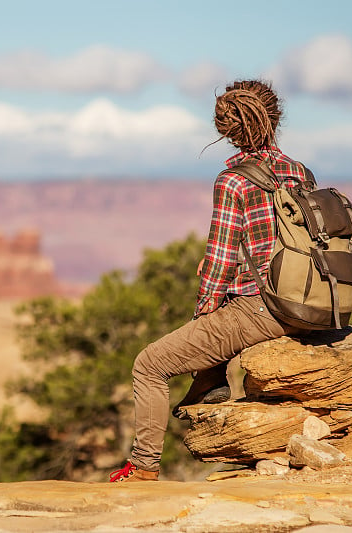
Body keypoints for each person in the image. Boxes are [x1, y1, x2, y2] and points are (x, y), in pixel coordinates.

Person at [109, 79, 310, 482]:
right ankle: (210, 380)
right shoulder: (300, 172)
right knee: (220, 314)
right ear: (275, 118)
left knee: (150, 364)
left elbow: (219, 261)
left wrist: (203, 309)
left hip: (264, 307)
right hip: (308, 301)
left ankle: (144, 468)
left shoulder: (234, 180)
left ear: (227, 131)